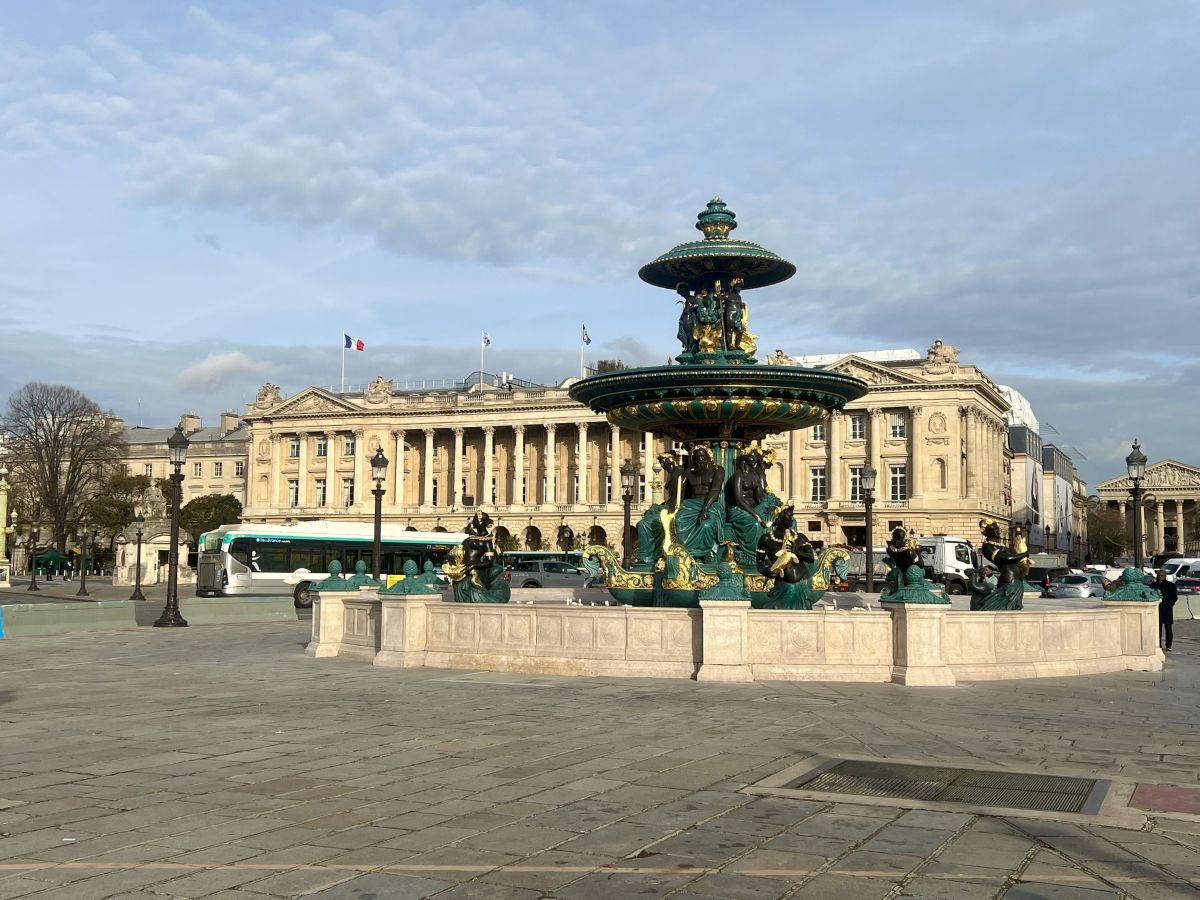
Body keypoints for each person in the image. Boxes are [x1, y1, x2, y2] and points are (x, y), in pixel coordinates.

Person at [1154, 569, 1178, 652]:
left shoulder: (1170, 585)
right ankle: (1158, 644)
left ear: (1165, 576)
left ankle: (1168, 645)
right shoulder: (1153, 585)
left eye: (1161, 575)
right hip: (1157, 609)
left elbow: (1174, 597)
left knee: (1168, 628)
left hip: (1167, 609)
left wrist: (1170, 604)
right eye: (1158, 575)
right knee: (1158, 628)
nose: (1160, 577)